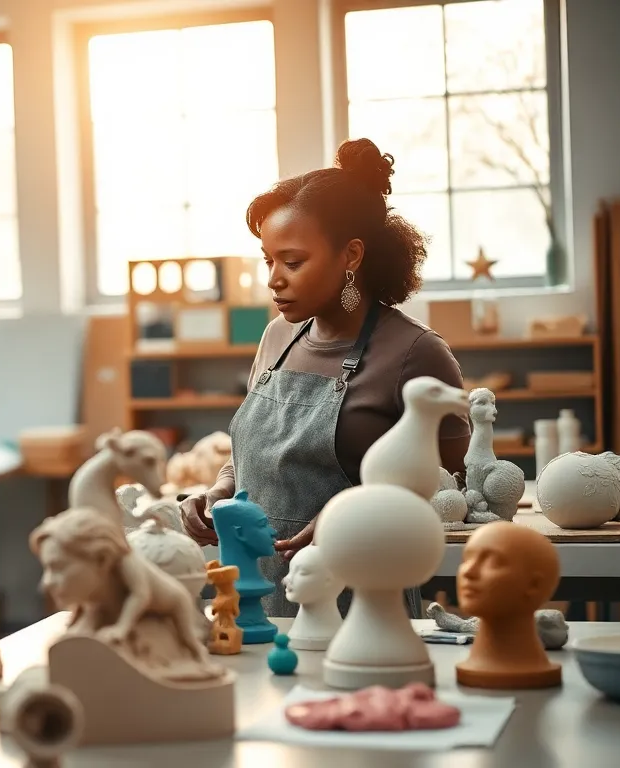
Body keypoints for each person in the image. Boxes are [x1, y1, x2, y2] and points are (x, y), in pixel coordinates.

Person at [181, 138, 470, 619]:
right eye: (267, 260)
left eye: (292, 262)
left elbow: (456, 489)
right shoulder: (276, 338)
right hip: (254, 597)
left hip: (362, 604)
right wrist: (218, 492)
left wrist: (351, 515)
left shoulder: (417, 354)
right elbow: (251, 458)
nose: (274, 278)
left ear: (351, 255)